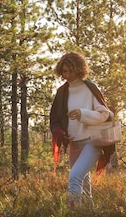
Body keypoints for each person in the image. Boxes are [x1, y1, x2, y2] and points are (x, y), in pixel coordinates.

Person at [49, 51, 115, 207]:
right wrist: (61, 134)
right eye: (64, 71)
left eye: (70, 71)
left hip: (92, 142)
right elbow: (55, 120)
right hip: (74, 144)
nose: (67, 75)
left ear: (79, 69)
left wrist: (82, 114)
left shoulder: (89, 88)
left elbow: (105, 114)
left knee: (74, 177)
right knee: (85, 186)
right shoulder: (62, 92)